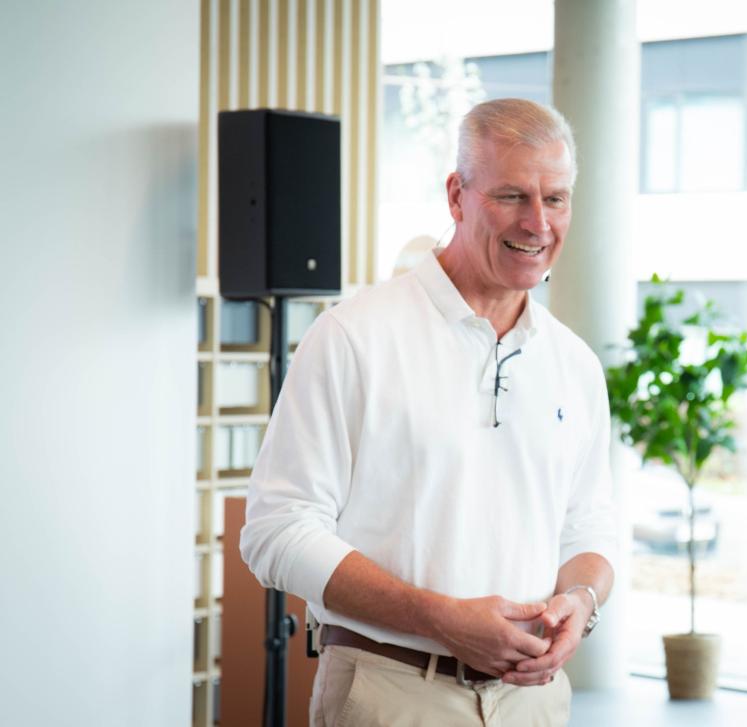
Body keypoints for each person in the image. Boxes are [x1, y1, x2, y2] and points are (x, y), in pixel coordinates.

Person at [241, 97, 618, 727]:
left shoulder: (575, 364)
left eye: (555, 198)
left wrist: (582, 599)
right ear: (456, 196)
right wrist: (440, 619)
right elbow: (276, 530)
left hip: (536, 703)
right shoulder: (353, 337)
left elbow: (589, 527)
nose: (537, 223)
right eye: (511, 196)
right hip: (390, 694)